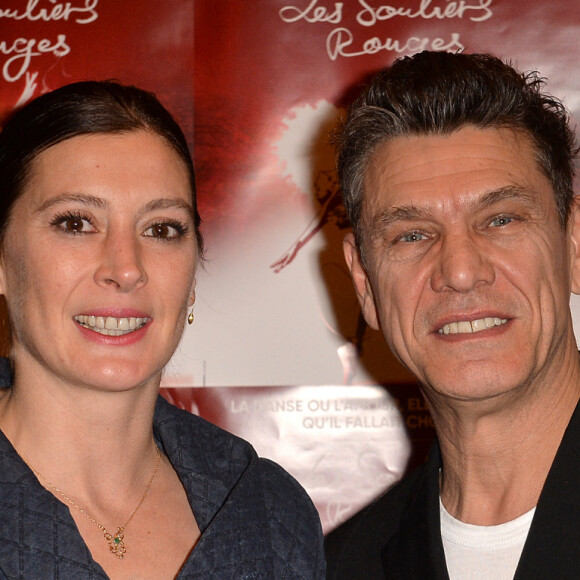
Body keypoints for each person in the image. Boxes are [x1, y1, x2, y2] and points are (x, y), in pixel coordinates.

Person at [0, 81, 325, 579]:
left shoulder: (271, 513)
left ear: (192, 273)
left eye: (161, 229)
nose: (126, 269)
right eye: (75, 223)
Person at [324, 51, 580, 579]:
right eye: (411, 235)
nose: (460, 271)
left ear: (574, 243)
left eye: (501, 219)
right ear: (365, 283)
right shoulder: (342, 565)